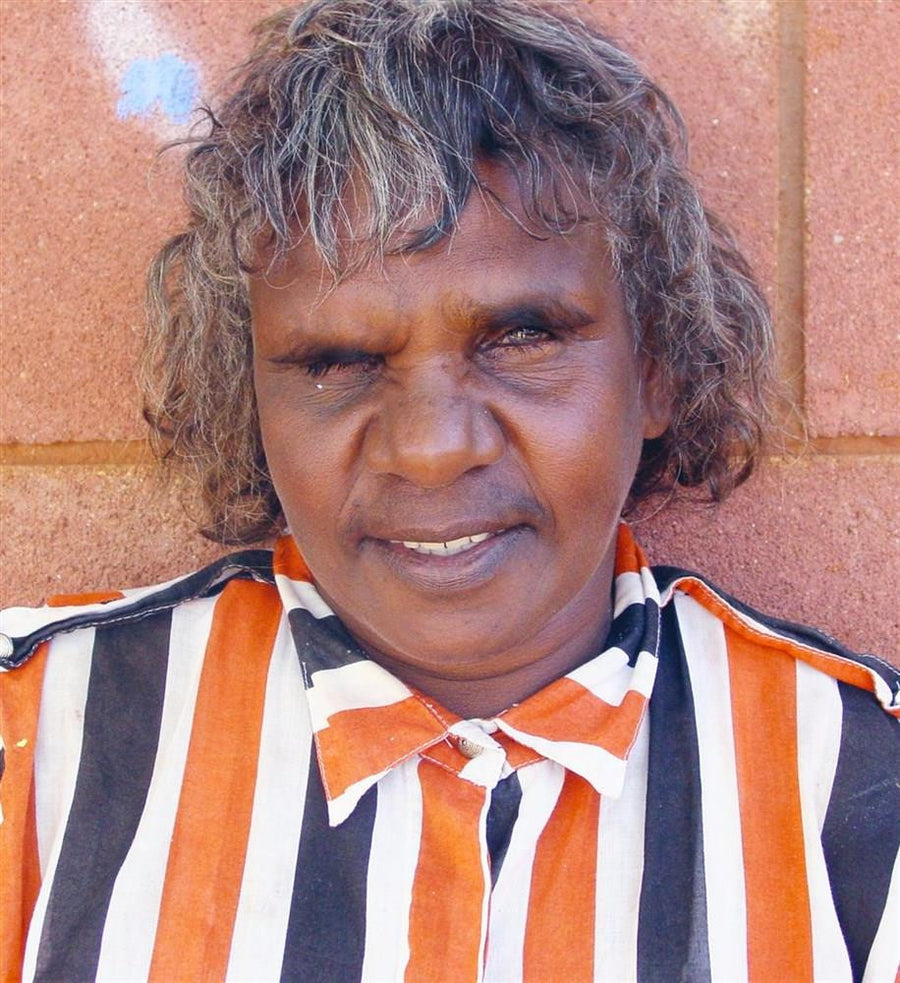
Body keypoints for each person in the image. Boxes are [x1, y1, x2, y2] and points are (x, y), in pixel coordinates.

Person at [1, 1, 897, 980]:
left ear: (658, 368)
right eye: (337, 359)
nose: (430, 447)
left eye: (522, 336)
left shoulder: (864, 790)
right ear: (247, 391)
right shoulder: (35, 738)